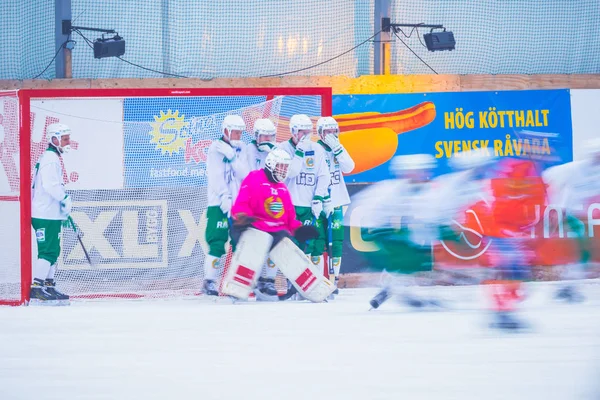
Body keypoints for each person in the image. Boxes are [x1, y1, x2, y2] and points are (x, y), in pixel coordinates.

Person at [230, 149, 318, 296]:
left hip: (274, 232)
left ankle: (296, 284)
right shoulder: (254, 178)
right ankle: (240, 284)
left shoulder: (283, 189)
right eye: (281, 166)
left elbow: (289, 219)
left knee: (285, 240)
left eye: (286, 167)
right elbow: (241, 203)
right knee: (257, 239)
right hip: (250, 227)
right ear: (271, 164)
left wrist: (300, 230)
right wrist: (242, 217)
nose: (284, 171)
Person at [203, 115, 249, 296]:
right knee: (217, 241)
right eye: (235, 132)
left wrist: (232, 157)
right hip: (218, 203)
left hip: (238, 204)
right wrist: (224, 196)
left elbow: (244, 174)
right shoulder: (215, 148)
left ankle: (236, 281)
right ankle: (209, 282)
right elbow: (214, 175)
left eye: (240, 132)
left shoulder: (242, 147)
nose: (238, 135)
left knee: (240, 242)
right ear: (226, 131)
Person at [30, 123, 73, 304]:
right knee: (47, 252)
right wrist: (65, 198)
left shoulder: (52, 157)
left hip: (51, 213)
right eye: (65, 139)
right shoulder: (50, 159)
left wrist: (62, 207)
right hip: (44, 213)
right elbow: (50, 186)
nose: (68, 142)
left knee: (54, 251)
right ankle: (36, 288)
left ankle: (48, 285)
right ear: (54, 139)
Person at [277, 114, 330, 255]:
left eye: (308, 132)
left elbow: (324, 175)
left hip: (308, 205)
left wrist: (318, 198)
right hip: (290, 205)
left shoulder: (317, 149)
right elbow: (291, 173)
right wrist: (299, 152)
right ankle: (288, 277)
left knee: (307, 244)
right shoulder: (282, 149)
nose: (306, 135)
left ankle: (302, 276)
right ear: (293, 131)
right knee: (289, 243)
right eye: (303, 132)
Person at [314, 117, 355, 293]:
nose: (331, 135)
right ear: (320, 133)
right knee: (317, 241)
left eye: (334, 131)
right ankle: (316, 281)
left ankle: (334, 280)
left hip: (337, 201)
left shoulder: (339, 148)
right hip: (318, 202)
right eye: (327, 132)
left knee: (336, 242)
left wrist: (338, 149)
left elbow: (349, 167)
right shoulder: (315, 149)